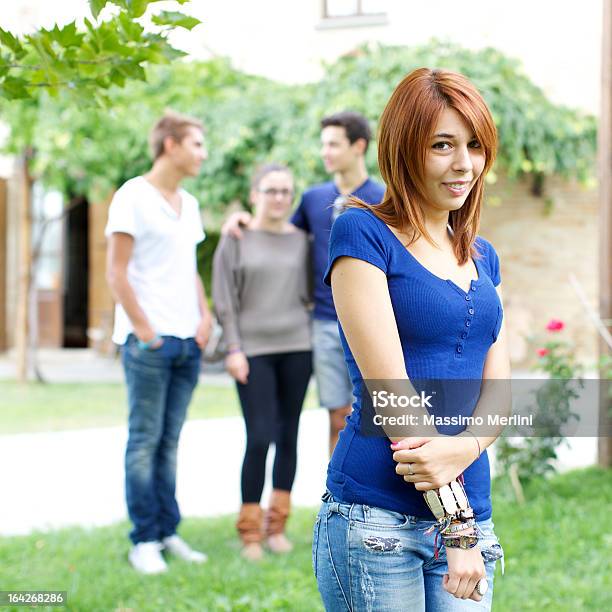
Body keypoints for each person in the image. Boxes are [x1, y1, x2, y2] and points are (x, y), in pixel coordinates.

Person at [313, 68, 510, 610]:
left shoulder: (483, 255)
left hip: (469, 510)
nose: (464, 163)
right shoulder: (362, 232)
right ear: (404, 149)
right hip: (378, 521)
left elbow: (500, 390)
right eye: (442, 145)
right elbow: (394, 397)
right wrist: (458, 530)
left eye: (474, 144)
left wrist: (463, 452)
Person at [222, 112, 385, 456]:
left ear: (359, 146)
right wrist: (242, 220)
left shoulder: (383, 198)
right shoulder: (312, 199)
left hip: (375, 323)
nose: (324, 151)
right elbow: (278, 234)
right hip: (325, 323)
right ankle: (338, 494)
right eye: (323, 143)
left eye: (333, 144)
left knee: (376, 414)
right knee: (338, 415)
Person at [105, 111, 212, 574]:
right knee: (145, 441)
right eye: (196, 144)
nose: (203, 154)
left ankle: (168, 531)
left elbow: (187, 268)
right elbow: (116, 270)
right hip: (148, 344)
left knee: (169, 442)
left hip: (188, 342)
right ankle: (143, 539)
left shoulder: (187, 203)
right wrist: (145, 330)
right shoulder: (132, 196)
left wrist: (205, 317)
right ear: (170, 145)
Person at [212, 163, 313, 561]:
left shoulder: (303, 241)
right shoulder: (235, 237)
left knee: (288, 436)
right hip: (251, 351)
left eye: (286, 192)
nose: (279, 198)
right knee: (258, 437)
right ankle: (250, 532)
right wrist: (233, 348)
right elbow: (224, 299)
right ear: (254, 194)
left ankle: (277, 528)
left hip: (297, 347)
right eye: (270, 190)